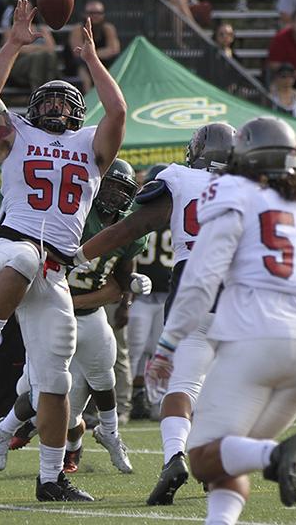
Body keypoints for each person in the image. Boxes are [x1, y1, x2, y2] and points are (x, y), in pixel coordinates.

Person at [0, 0, 126, 502]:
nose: (54, 107)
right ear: (33, 109)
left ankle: (51, 479)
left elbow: (117, 110)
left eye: (64, 101)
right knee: (27, 256)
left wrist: (92, 60)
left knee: (54, 380)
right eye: (47, 101)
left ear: (77, 112)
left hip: (53, 274)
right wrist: (14, 42)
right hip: (7, 250)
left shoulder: (91, 148)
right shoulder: (16, 137)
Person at [146, 116, 296, 523]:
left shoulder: (231, 189)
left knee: (201, 456)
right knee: (226, 457)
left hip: (259, 337)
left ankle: (275, 454)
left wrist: (167, 346)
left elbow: (201, 279)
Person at [71, 122, 236, 505]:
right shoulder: (257, 188)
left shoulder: (178, 177)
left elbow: (133, 226)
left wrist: (78, 255)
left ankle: (175, 456)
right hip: (245, 297)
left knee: (182, 386)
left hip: (194, 290)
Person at [0, 159, 149, 476]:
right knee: (39, 391)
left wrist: (133, 285)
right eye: (112, 186)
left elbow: (119, 281)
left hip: (90, 316)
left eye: (123, 190)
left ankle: (110, 433)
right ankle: (4, 430)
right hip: (50, 311)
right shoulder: (72, 217)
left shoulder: (129, 230)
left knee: (104, 379)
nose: (117, 196)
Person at [128, 164, 174, 421]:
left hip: (165, 295)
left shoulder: (177, 213)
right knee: (136, 348)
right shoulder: (141, 213)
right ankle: (131, 398)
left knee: (158, 349)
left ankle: (153, 398)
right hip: (142, 294)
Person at [65, 0, 120, 93]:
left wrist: (92, 55)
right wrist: (94, 55)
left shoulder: (108, 29)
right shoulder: (78, 29)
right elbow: (77, 51)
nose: (95, 15)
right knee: (85, 78)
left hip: (104, 63)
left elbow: (114, 49)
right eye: (91, 13)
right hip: (82, 64)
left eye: (98, 13)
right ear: (84, 14)